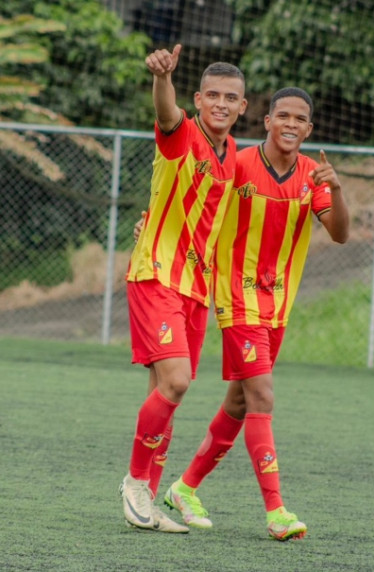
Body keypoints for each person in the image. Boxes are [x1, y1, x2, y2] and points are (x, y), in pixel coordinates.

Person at [160, 87, 349, 540]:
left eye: (299, 119)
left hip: (277, 305)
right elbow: (197, 202)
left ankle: (184, 489)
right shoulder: (238, 164)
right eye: (281, 115)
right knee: (262, 396)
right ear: (266, 121)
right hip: (235, 299)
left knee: (241, 403)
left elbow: (340, 234)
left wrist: (336, 188)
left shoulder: (312, 176)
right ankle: (277, 511)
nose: (289, 124)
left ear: (309, 129)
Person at [120, 43, 247, 534]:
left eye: (229, 97)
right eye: (211, 94)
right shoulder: (183, 133)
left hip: (195, 288)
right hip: (156, 274)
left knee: (165, 392)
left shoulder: (234, 154)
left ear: (242, 106)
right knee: (176, 382)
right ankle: (134, 482)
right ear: (197, 99)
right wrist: (161, 78)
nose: (219, 103)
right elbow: (166, 114)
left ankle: (147, 500)